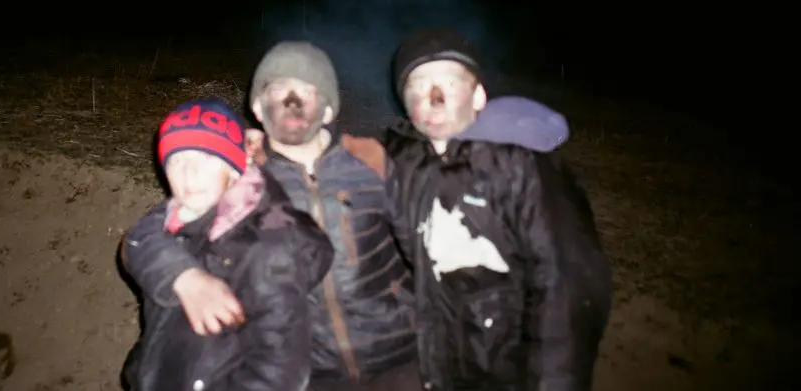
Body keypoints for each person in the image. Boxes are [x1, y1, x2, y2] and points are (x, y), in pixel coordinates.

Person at [122, 42, 421, 390]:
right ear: (258, 108)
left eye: (306, 91)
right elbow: (142, 237)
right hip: (310, 368)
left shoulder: (371, 163)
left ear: (328, 110)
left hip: (400, 354)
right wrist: (184, 276)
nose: (292, 102)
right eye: (278, 91)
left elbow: (425, 243)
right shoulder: (241, 181)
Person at [383, 29, 613, 391]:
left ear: (478, 96)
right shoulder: (401, 165)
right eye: (418, 86)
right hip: (436, 365)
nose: (434, 99)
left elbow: (567, 291)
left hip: (506, 373)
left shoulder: (522, 167)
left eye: (449, 83)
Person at [120, 97, 334, 391]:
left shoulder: (268, 247)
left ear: (235, 168)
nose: (189, 175)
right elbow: (136, 240)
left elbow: (282, 369)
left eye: (206, 158)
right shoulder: (180, 215)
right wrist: (184, 277)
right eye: (177, 161)